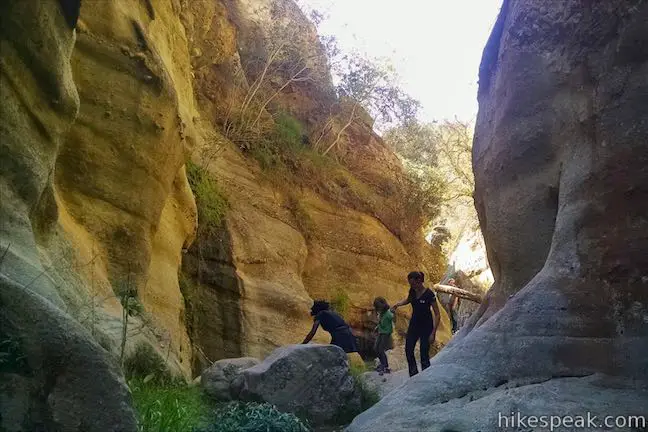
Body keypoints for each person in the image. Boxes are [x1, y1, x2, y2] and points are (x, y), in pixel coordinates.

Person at [390, 271, 440, 377]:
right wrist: (398, 304)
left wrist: (433, 333)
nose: (412, 286)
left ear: (419, 281)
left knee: (424, 353)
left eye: (413, 283)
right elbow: (408, 300)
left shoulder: (429, 294)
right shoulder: (413, 291)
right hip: (414, 325)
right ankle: (413, 375)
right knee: (408, 349)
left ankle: (427, 376)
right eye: (410, 284)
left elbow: (437, 314)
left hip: (426, 326)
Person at [372, 297, 394, 375]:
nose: (378, 309)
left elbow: (393, 318)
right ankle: (382, 364)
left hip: (386, 333)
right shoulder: (381, 313)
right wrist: (377, 327)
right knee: (376, 348)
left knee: (381, 349)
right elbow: (380, 322)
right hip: (381, 332)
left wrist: (393, 312)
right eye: (377, 307)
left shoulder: (388, 313)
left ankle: (385, 366)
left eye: (379, 307)